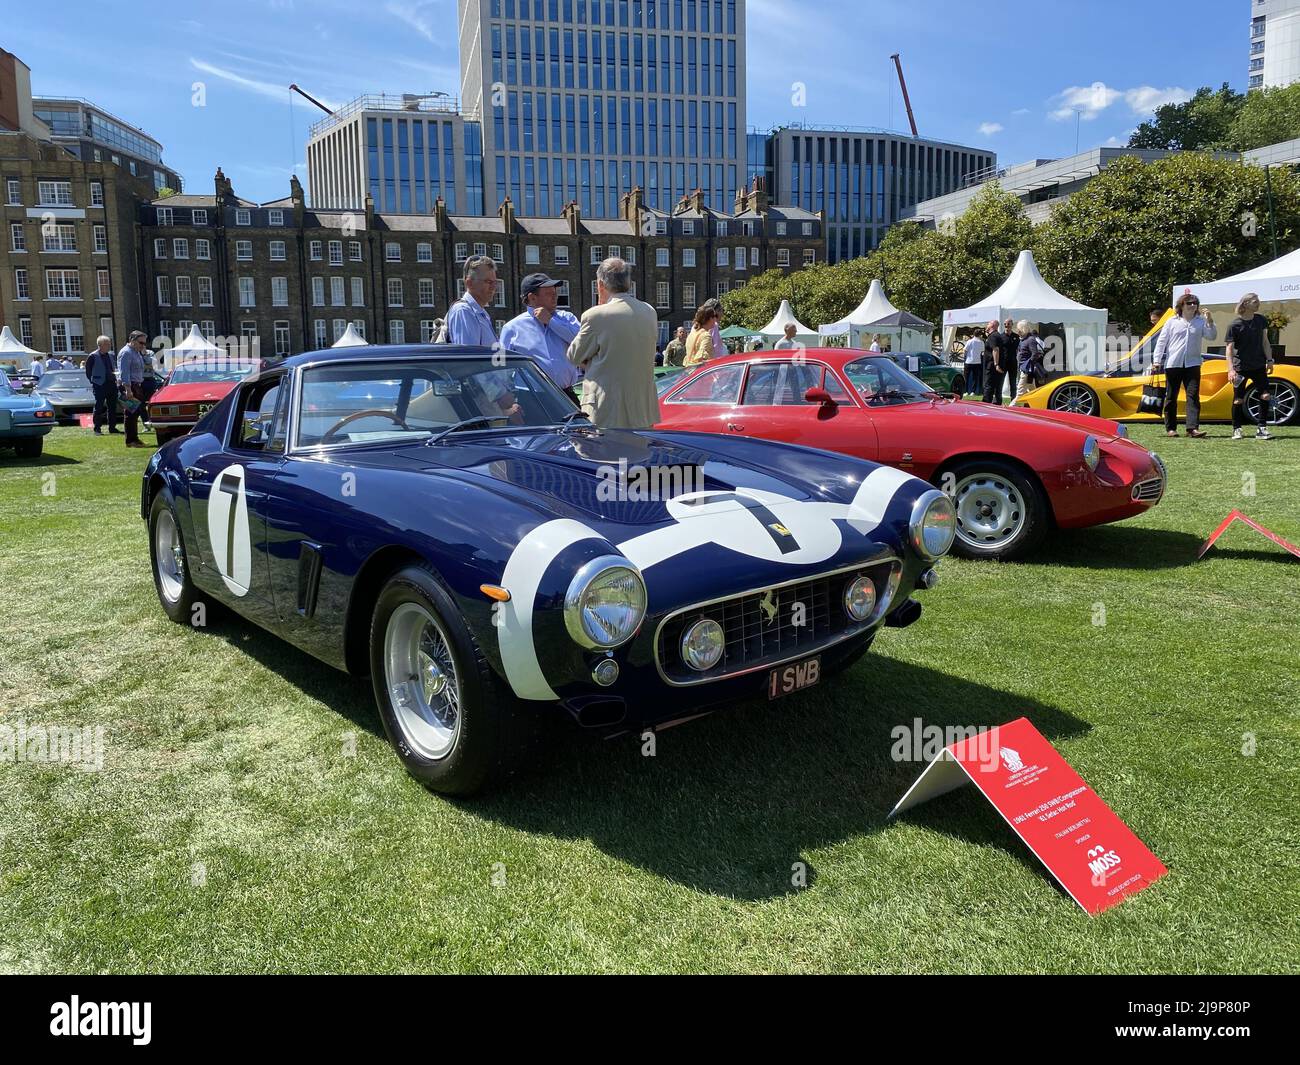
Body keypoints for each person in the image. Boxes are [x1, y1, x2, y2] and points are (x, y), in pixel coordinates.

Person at [566, 257, 659, 429]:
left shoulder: (595, 315)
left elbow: (573, 356)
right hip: (642, 409)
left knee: (603, 455)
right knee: (639, 454)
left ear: (600, 284)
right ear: (628, 282)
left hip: (606, 409)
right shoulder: (649, 311)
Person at [498, 272, 581, 394]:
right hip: (532, 397)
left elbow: (581, 342)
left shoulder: (567, 318)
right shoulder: (512, 328)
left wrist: (551, 322)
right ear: (532, 298)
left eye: (555, 293)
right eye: (549, 294)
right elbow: (500, 366)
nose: (555, 297)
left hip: (567, 394)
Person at [1152, 292, 1216, 438]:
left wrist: (1210, 322)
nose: (1193, 306)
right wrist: (1156, 361)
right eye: (1189, 303)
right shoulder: (1171, 321)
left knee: (1192, 396)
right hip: (1173, 363)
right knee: (1171, 396)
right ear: (1182, 305)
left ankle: (1192, 428)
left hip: (1193, 364)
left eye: (1195, 303)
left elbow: (1212, 337)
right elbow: (1162, 341)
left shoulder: (1200, 322)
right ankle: (1171, 428)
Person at [1225, 292, 1274, 441]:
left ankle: (1261, 428)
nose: (1258, 303)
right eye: (1255, 301)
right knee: (1238, 399)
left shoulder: (1261, 320)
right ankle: (1237, 429)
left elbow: (1265, 342)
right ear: (1245, 304)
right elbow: (1229, 349)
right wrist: (1231, 369)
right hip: (1240, 368)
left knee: (1265, 395)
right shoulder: (1234, 325)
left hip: (1258, 366)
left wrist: (1270, 360)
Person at [444, 254, 499, 347]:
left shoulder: (481, 313)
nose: (494, 287)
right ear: (469, 283)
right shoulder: (464, 311)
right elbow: (468, 357)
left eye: (495, 282)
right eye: (488, 282)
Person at [117, 330, 150, 448]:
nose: (143, 345)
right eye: (141, 342)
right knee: (130, 413)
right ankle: (130, 441)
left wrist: (144, 353)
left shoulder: (137, 352)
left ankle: (135, 439)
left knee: (135, 413)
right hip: (130, 386)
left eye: (144, 343)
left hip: (137, 385)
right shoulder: (126, 353)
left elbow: (147, 363)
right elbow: (124, 372)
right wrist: (128, 389)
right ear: (132, 340)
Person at [85, 335, 121, 434]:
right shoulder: (93, 356)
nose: (109, 346)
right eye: (107, 344)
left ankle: (112, 428)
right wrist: (93, 382)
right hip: (99, 385)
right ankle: (97, 428)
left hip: (111, 384)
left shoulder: (111, 355)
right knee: (99, 407)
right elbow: (88, 372)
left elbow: (113, 368)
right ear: (100, 345)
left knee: (112, 407)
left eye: (109, 344)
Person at [1014, 320, 1045, 401]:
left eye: (1019, 329)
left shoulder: (1030, 339)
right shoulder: (1023, 339)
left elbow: (1035, 354)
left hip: (1026, 370)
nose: (1017, 331)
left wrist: (1028, 365)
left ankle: (1010, 409)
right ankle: (1040, 406)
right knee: (1032, 391)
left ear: (1023, 329)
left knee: (1020, 392)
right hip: (1024, 369)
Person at [982, 319, 1006, 405]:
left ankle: (986, 404)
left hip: (992, 365)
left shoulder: (993, 336)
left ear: (992, 325)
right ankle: (996, 404)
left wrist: (996, 364)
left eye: (988, 324)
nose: (986, 325)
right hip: (994, 365)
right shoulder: (995, 335)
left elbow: (996, 349)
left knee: (989, 385)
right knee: (997, 386)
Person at [963, 331, 985, 397]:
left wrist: (966, 356)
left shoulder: (969, 341)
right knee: (975, 378)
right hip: (977, 362)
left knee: (966, 377)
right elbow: (982, 352)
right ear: (980, 335)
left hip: (968, 361)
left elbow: (965, 350)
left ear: (973, 334)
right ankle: (973, 391)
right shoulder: (981, 342)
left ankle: (966, 391)